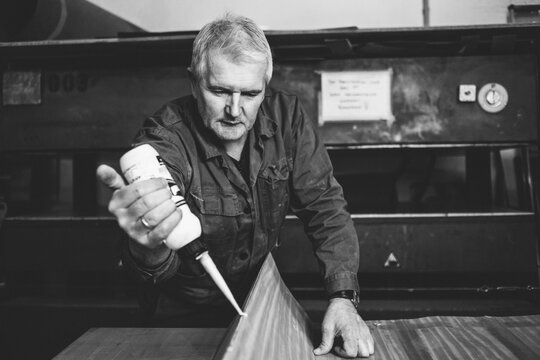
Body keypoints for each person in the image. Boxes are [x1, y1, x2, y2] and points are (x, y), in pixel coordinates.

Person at [97, 14, 374, 358]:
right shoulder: (165, 140)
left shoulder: (287, 119)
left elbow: (326, 208)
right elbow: (153, 260)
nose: (234, 109)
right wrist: (149, 244)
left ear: (265, 87)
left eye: (250, 93)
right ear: (194, 83)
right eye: (220, 90)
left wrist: (343, 299)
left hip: (262, 304)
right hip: (182, 316)